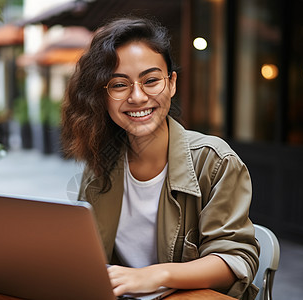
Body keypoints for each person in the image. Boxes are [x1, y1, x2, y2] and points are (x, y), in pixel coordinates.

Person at [61, 16, 259, 300]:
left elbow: (236, 259)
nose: (138, 97)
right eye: (119, 85)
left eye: (151, 80)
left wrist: (153, 275)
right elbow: (88, 253)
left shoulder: (215, 162)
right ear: (103, 96)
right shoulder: (101, 164)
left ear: (172, 83)